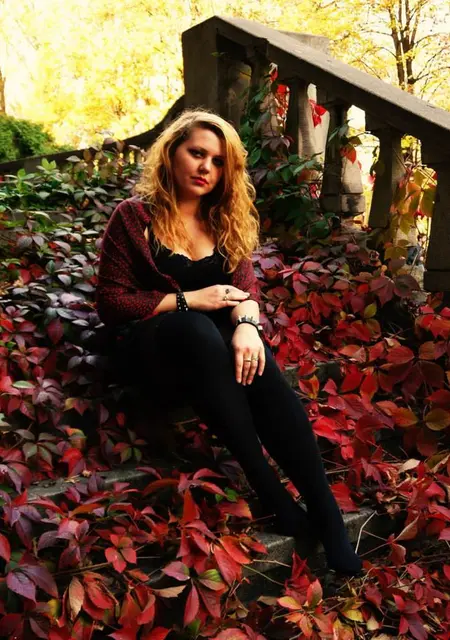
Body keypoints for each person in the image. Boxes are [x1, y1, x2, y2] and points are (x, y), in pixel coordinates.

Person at [96, 109, 362, 576]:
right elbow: (112, 302)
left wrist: (247, 327)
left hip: (214, 360)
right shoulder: (134, 217)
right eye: (196, 153)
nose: (206, 167)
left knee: (255, 359)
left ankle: (327, 514)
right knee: (195, 327)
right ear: (171, 153)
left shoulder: (223, 219)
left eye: (218, 161)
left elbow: (245, 292)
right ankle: (270, 489)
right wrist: (188, 300)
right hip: (154, 355)